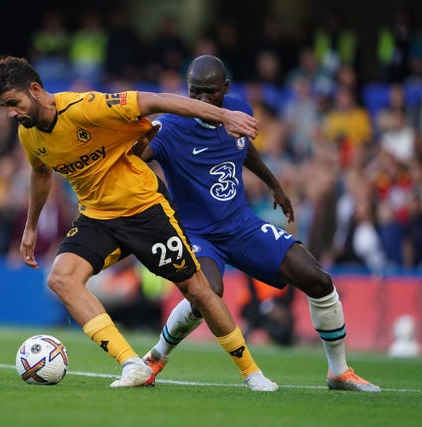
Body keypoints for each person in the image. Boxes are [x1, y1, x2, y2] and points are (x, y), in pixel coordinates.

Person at [0, 55, 277, 390]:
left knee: (198, 290)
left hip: (143, 209)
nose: (11, 113)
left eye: (14, 103)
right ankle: (132, 364)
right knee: (62, 278)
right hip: (97, 217)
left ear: (35, 89)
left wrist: (225, 116)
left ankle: (252, 373)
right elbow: (39, 173)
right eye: (5, 106)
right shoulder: (29, 134)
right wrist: (31, 227)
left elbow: (156, 101)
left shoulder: (84, 108)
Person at [132, 55, 380, 392]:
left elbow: (243, 149)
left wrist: (273, 183)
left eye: (210, 93)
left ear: (225, 89)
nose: (203, 101)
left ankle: (339, 373)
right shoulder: (171, 126)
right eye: (196, 93)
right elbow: (134, 157)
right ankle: (156, 357)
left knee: (318, 280)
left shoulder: (238, 110)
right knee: (209, 293)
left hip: (241, 224)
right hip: (198, 233)